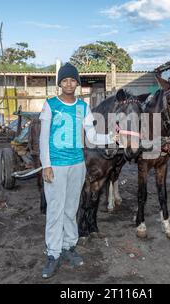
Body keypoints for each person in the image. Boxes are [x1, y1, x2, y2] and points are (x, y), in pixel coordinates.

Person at [39, 63, 118, 279]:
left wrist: (111, 137)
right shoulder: (50, 105)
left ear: (77, 83)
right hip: (55, 165)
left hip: (77, 165)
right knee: (55, 209)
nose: (68, 84)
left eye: (72, 80)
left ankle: (68, 247)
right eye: (64, 80)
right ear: (59, 84)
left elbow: (91, 137)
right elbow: (43, 138)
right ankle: (53, 253)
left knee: (71, 208)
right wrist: (46, 165)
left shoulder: (83, 107)